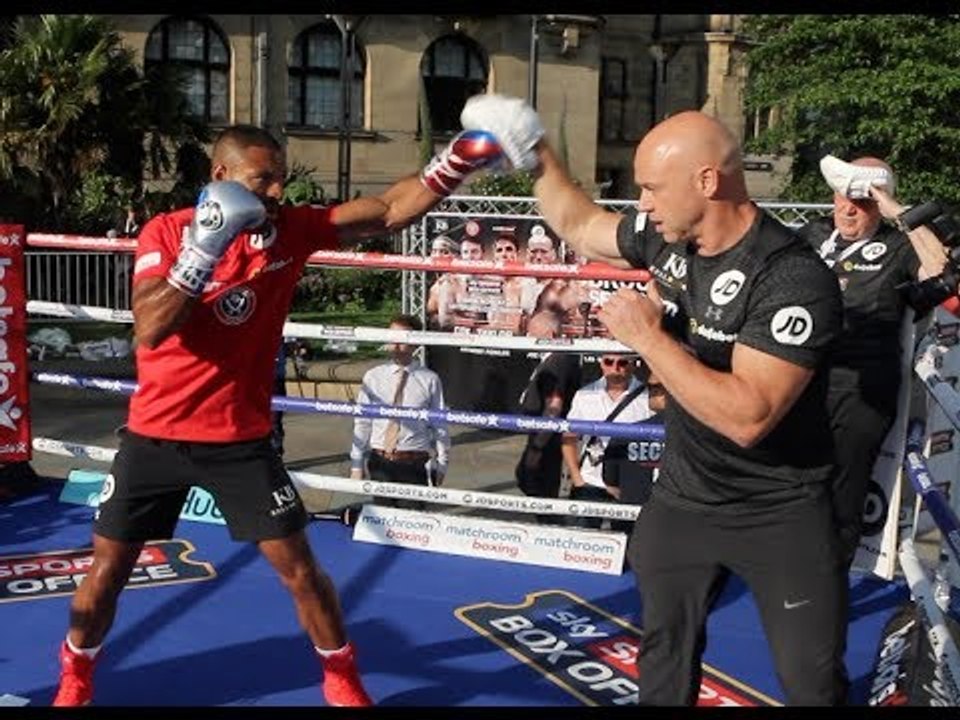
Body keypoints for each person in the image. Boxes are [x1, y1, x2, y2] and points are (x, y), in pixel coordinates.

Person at [51, 121, 530, 707]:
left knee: (302, 570)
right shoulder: (169, 231)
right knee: (107, 573)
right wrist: (207, 247)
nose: (278, 191)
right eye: (263, 180)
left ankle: (342, 677)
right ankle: (76, 674)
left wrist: (455, 163)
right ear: (221, 178)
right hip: (155, 437)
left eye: (280, 178)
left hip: (240, 441)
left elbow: (384, 210)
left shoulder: (288, 231)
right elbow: (151, 328)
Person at [462, 95, 847, 704]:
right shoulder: (668, 238)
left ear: (707, 181)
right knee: (663, 659)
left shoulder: (790, 276)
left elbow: (749, 415)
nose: (641, 203)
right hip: (685, 500)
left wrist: (647, 337)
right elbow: (580, 222)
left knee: (811, 682)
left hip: (779, 508)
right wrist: (535, 149)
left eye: (651, 188)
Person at [797, 156, 948, 571]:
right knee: (793, 488)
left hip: (859, 389)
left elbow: (940, 268)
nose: (848, 208)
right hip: (799, 380)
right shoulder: (813, 235)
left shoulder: (900, 245)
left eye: (862, 201)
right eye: (844, 197)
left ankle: (827, 587)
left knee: (841, 495)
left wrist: (897, 211)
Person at [349, 313, 450, 510]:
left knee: (412, 523)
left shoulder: (430, 379)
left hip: (414, 462)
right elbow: (362, 422)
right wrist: (356, 464)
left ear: (415, 344)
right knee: (383, 521)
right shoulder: (373, 377)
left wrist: (442, 463)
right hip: (380, 461)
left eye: (402, 339)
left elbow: (440, 424)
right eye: (392, 337)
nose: (395, 345)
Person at [560, 354, 652, 530]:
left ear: (634, 365)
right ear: (601, 364)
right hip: (589, 484)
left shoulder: (647, 399)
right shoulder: (584, 395)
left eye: (622, 362)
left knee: (628, 545)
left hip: (628, 488)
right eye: (609, 362)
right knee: (579, 545)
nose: (615, 368)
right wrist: (577, 477)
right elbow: (569, 437)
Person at [514, 315, 582, 524]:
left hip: (546, 436)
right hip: (541, 432)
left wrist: (538, 446)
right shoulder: (554, 360)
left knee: (537, 482)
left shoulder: (558, 362)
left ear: (550, 335)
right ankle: (548, 523)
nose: (528, 336)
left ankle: (551, 527)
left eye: (533, 332)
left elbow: (554, 406)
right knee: (529, 479)